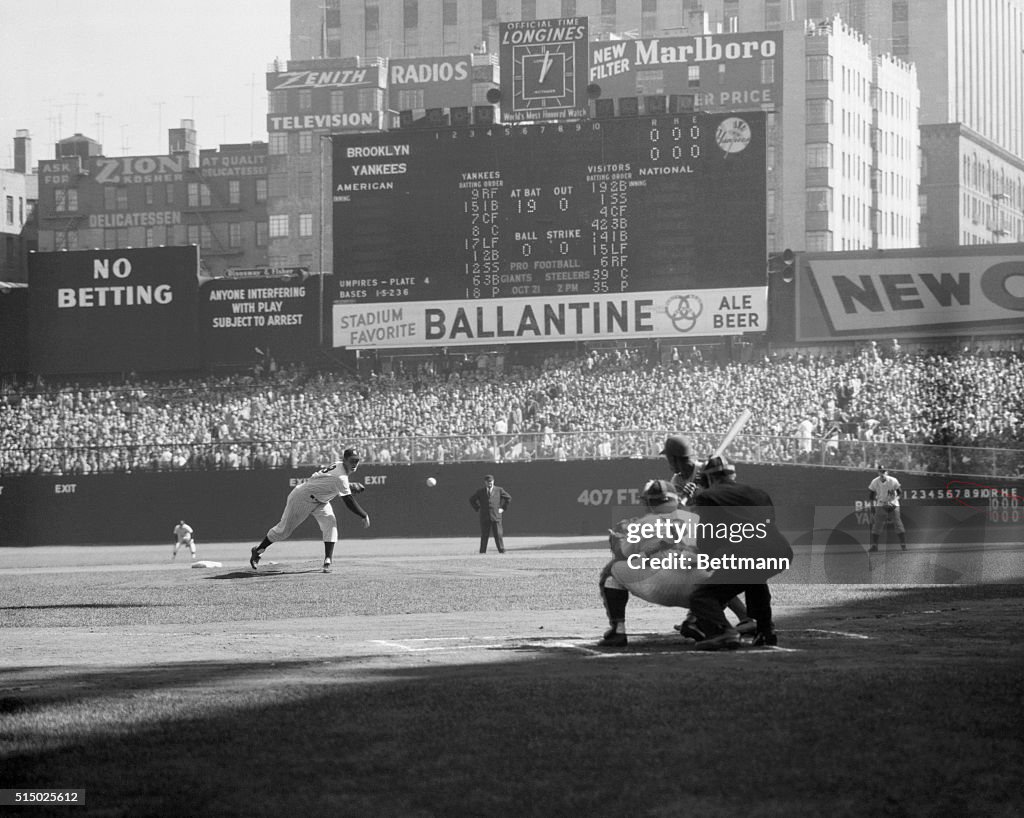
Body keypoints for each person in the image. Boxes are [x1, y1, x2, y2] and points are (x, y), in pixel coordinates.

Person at [686, 456, 794, 651]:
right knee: (755, 578)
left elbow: (707, 540)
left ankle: (723, 632)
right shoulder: (759, 494)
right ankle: (765, 631)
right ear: (733, 474)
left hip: (745, 554)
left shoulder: (707, 497)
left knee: (701, 597)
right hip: (780, 551)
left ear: (708, 479)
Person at [659, 435, 755, 637]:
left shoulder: (706, 469)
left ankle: (712, 618)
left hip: (723, 529)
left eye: (668, 458)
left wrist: (706, 488)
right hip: (699, 531)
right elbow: (678, 513)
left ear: (676, 458)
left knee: (711, 575)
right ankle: (708, 617)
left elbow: (727, 491)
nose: (667, 463)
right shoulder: (677, 480)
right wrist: (684, 499)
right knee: (702, 573)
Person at [599, 479, 704, 647]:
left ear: (648, 502)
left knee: (613, 571)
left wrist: (617, 541)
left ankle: (618, 630)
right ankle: (696, 621)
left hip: (659, 586)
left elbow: (623, 554)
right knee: (721, 573)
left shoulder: (644, 523)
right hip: (699, 590)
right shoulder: (694, 518)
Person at [250, 448, 370, 573]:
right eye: (352, 461)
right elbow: (348, 500)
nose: (355, 463)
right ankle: (258, 550)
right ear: (344, 460)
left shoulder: (340, 467)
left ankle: (327, 560)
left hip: (321, 502)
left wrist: (349, 486)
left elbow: (328, 480)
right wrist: (363, 515)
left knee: (330, 523)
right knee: (283, 531)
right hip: (302, 498)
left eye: (357, 461)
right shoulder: (341, 477)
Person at [868, 465, 906, 551]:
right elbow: (871, 495)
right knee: (877, 525)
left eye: (884, 471)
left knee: (898, 524)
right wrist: (872, 506)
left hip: (893, 504)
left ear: (887, 472)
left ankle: (903, 545)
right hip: (881, 504)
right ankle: (874, 546)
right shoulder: (875, 481)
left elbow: (900, 493)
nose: (882, 473)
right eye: (880, 471)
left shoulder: (893, 480)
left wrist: (894, 501)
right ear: (878, 472)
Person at [469, 474, 511, 554]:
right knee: (484, 535)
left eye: (491, 481)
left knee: (498, 535)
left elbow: (508, 498)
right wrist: (478, 508)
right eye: (488, 482)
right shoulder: (480, 491)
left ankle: (501, 550)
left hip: (496, 516)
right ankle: (482, 551)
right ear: (485, 482)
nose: (490, 483)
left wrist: (503, 508)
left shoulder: (499, 490)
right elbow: (472, 500)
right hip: (485, 517)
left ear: (493, 481)